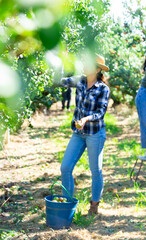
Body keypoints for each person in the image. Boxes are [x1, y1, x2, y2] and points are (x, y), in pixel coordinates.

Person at [60, 54, 110, 215]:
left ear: (97, 69)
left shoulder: (103, 89)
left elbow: (101, 112)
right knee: (65, 167)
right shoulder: (80, 80)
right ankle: (67, 204)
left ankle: (94, 205)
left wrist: (86, 119)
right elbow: (60, 82)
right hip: (78, 132)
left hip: (95, 133)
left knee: (96, 170)